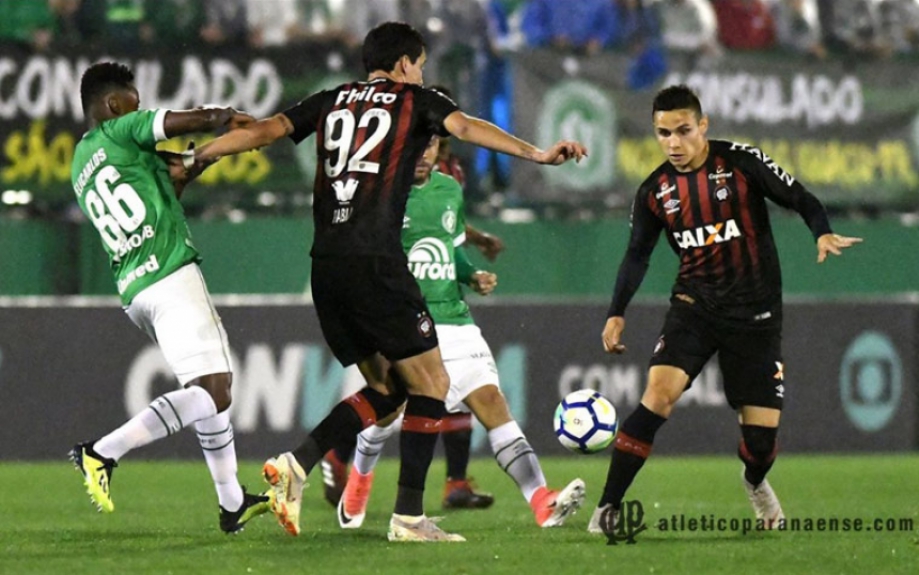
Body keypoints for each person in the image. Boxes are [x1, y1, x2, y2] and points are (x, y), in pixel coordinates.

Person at [190, 21, 586, 543]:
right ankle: (408, 516)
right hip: (376, 258)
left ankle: (296, 464)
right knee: (433, 384)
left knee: (387, 390)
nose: (420, 73)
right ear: (404, 64)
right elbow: (465, 128)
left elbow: (263, 131)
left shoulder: (330, 100)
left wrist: (198, 156)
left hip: (326, 265)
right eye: (419, 64)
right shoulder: (414, 99)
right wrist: (535, 153)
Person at [589, 84, 861, 534]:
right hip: (694, 306)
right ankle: (606, 509)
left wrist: (822, 231)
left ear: (703, 125)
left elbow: (800, 196)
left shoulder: (740, 162)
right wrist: (616, 311)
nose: (674, 143)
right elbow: (637, 254)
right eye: (663, 133)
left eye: (683, 131)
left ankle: (754, 481)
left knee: (760, 442)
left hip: (755, 317)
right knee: (658, 396)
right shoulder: (654, 191)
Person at [335, 135, 585, 530]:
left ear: (439, 148)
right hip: (403, 318)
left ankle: (541, 500)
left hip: (454, 318)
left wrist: (471, 275)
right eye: (414, 145)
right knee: (389, 412)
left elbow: (451, 250)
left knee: (491, 401)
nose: (422, 154)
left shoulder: (449, 189)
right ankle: (360, 480)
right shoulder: (381, 193)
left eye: (429, 145)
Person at [69, 62, 269, 533]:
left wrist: (208, 155)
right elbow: (185, 121)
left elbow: (173, 177)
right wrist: (225, 115)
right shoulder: (123, 128)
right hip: (169, 272)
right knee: (213, 389)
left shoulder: (83, 162)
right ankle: (103, 451)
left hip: (135, 289)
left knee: (211, 393)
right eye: (134, 101)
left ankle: (232, 502)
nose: (140, 109)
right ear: (114, 104)